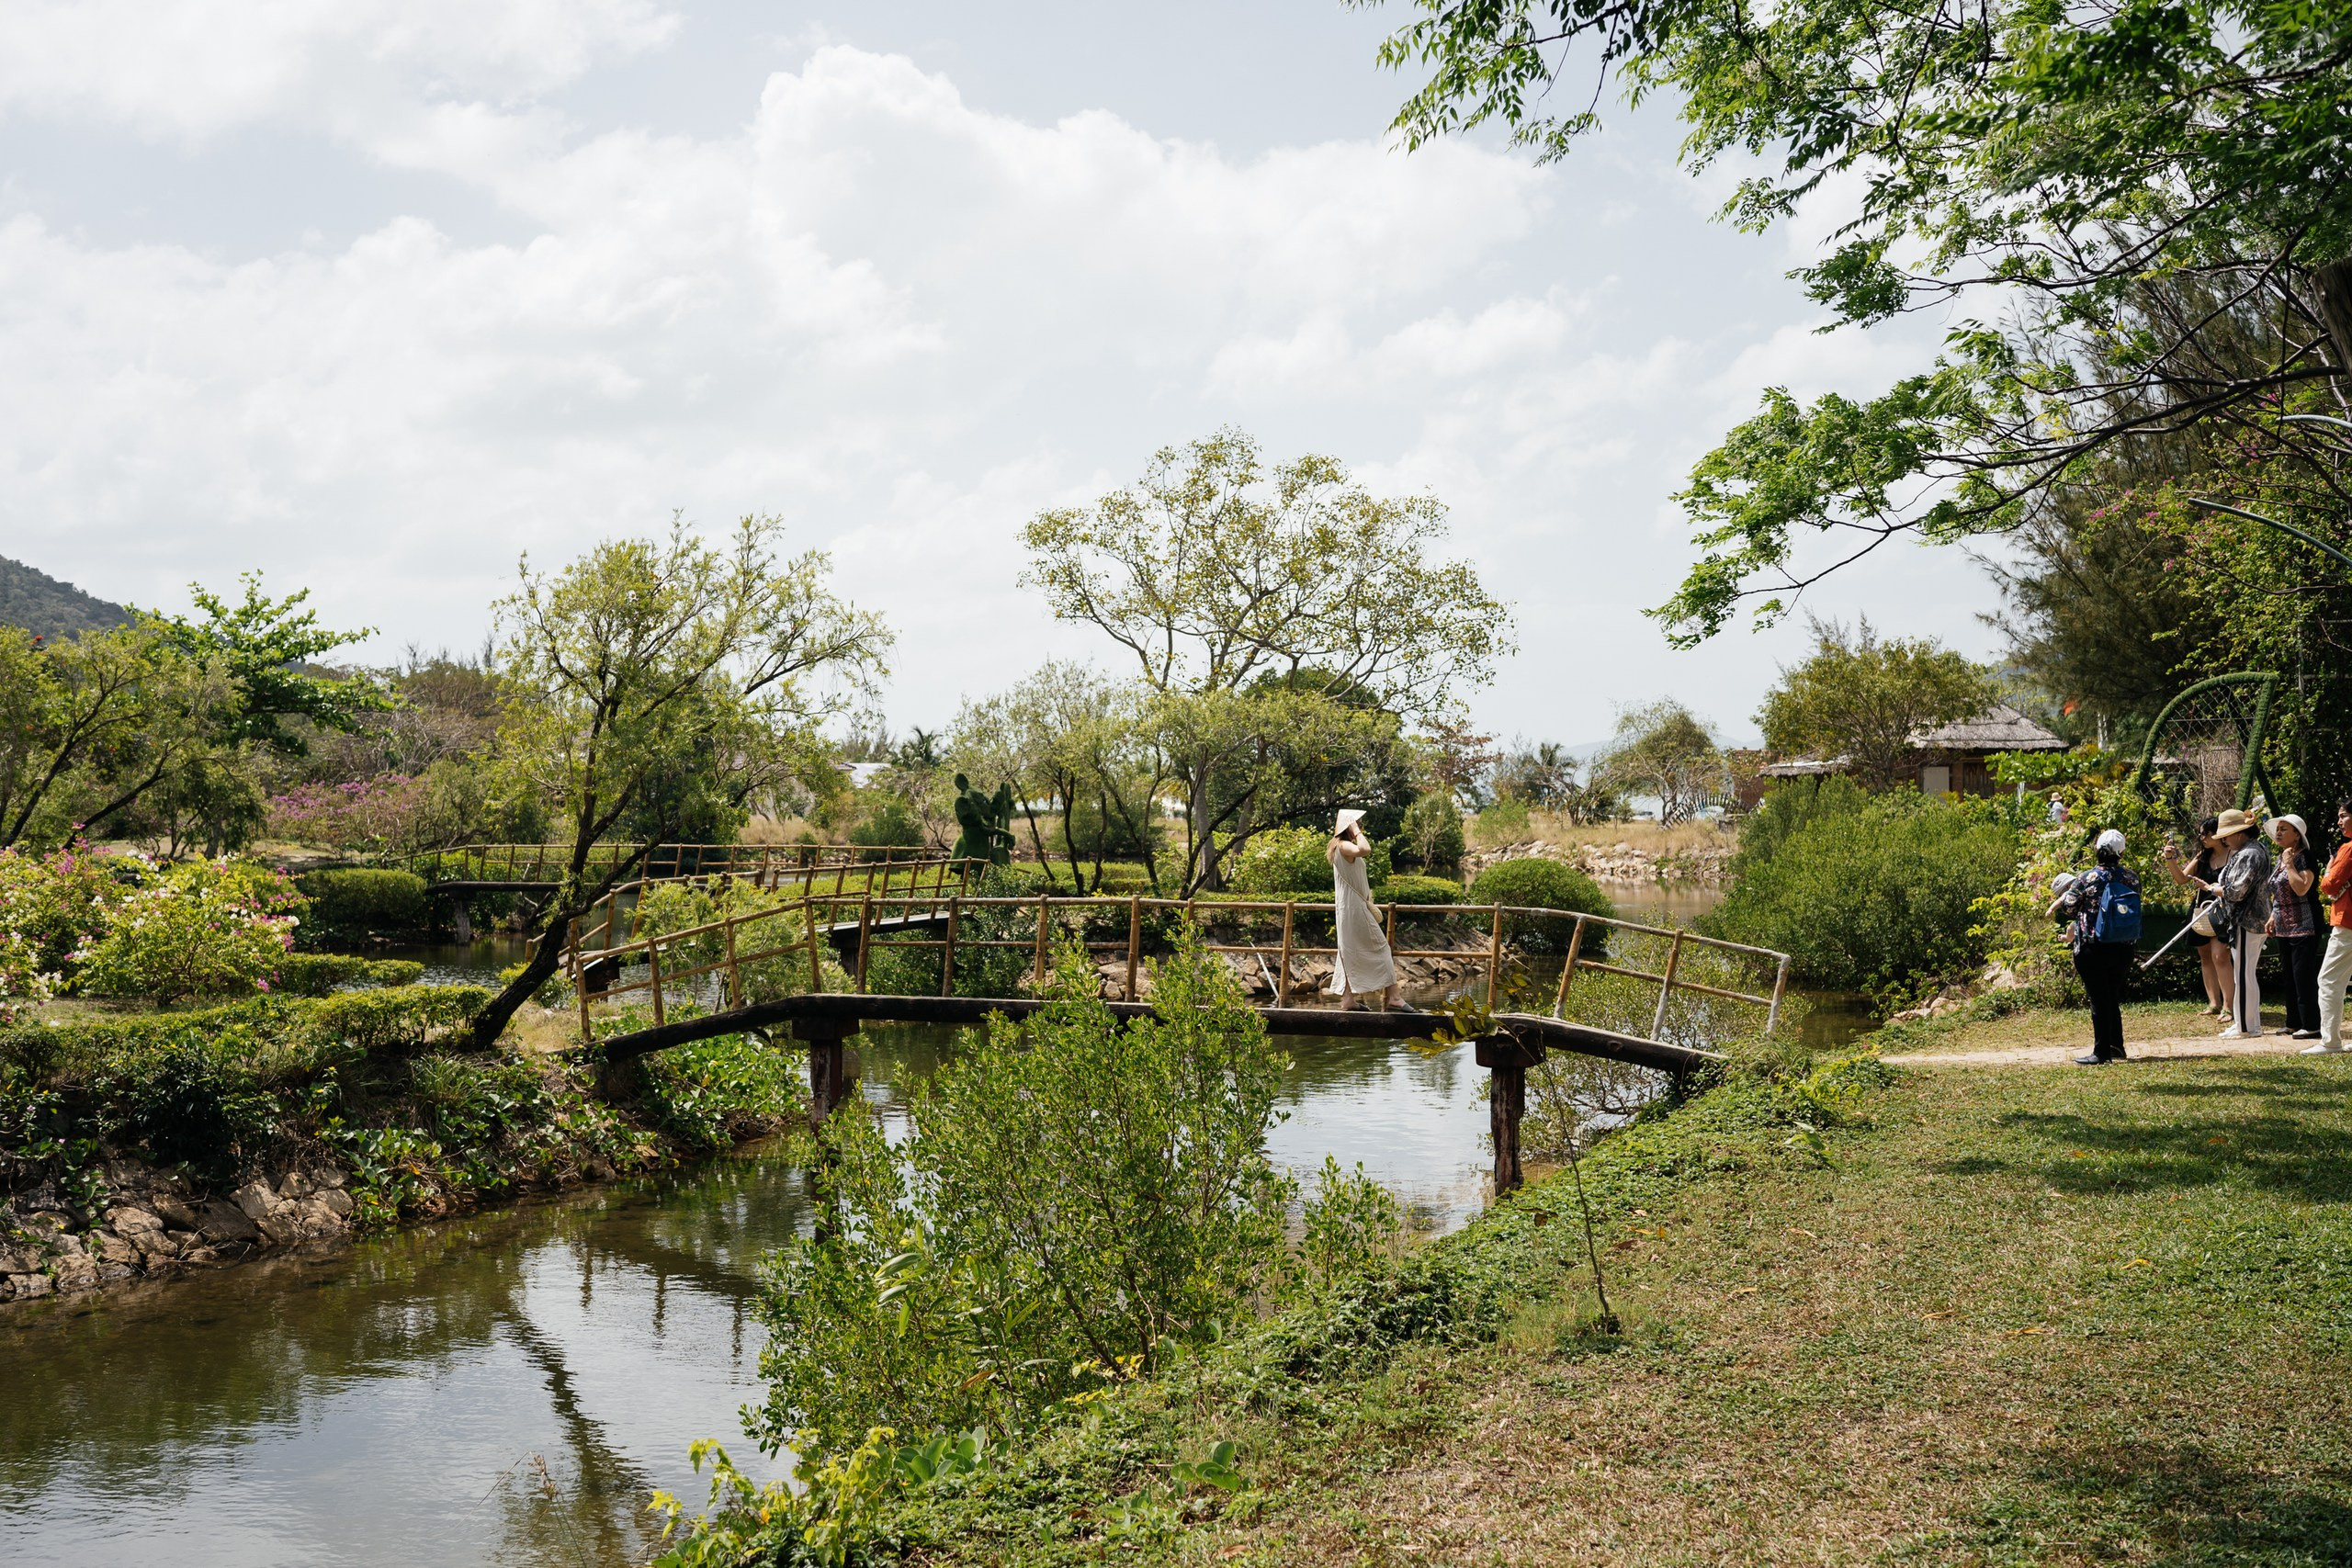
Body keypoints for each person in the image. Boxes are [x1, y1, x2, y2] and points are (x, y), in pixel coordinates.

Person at [2049, 829, 2141, 1065]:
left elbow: (2069, 908)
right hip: (2124, 946)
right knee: (2111, 995)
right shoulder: (2132, 878)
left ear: (2097, 849)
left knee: (2098, 999)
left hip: (2093, 946)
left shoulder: (2086, 878)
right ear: (2121, 853)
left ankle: (2101, 1053)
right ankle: (2116, 1046)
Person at [1328, 808, 1405, 1011]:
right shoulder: (1344, 846)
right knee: (1382, 948)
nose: (1361, 826)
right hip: (1353, 908)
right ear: (1348, 826)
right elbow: (1365, 849)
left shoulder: (1342, 847)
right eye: (1357, 823)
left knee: (1347, 950)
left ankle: (1347, 1000)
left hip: (1351, 907)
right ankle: (1394, 997)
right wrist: (1356, 831)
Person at [2210, 807, 2273, 1039]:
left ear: (2239, 833)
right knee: (2244, 974)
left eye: (2226, 835)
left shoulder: (2250, 854)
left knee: (2244, 975)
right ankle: (2245, 1023)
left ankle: (2247, 1027)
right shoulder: (2253, 850)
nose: (2224, 840)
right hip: (2249, 919)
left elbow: (2237, 891)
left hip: (2248, 919)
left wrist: (2216, 890)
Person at [2159, 816, 2231, 1016]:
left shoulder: (2233, 855)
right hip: (2201, 909)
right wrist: (2170, 859)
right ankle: (2214, 1003)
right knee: (2205, 955)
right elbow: (2181, 878)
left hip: (2222, 912)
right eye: (2201, 833)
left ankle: (2228, 1006)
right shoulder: (2203, 857)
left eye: (2206, 832)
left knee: (2220, 955)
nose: (2202, 837)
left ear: (2218, 833)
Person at [2266, 813, 2322, 1039]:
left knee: (2303, 975)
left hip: (2305, 924)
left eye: (2284, 829)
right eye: (2277, 829)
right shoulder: (2280, 857)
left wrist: (2289, 864)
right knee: (2289, 974)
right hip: (2283, 925)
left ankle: (2311, 1025)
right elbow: (2278, 892)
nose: (2278, 833)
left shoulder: (2305, 858)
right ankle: (2292, 1022)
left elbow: (2301, 889)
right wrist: (2272, 916)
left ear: (2297, 835)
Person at [2312, 798, 2352, 1055]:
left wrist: (2328, 872)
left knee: (2328, 980)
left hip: (2348, 921)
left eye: (2343, 815)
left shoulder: (2348, 849)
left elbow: (2329, 884)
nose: (2339, 821)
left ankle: (2330, 1041)